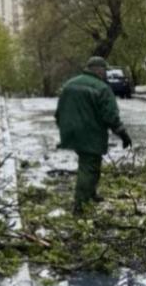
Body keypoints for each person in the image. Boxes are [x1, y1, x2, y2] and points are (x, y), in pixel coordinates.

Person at [55, 56, 132, 213]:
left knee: (92, 161)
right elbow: (110, 115)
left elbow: (58, 112)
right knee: (88, 165)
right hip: (90, 132)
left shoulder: (70, 84)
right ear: (99, 70)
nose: (105, 74)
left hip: (70, 131)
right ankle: (80, 204)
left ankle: (91, 194)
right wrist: (122, 134)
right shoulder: (101, 88)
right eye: (104, 71)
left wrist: (64, 126)